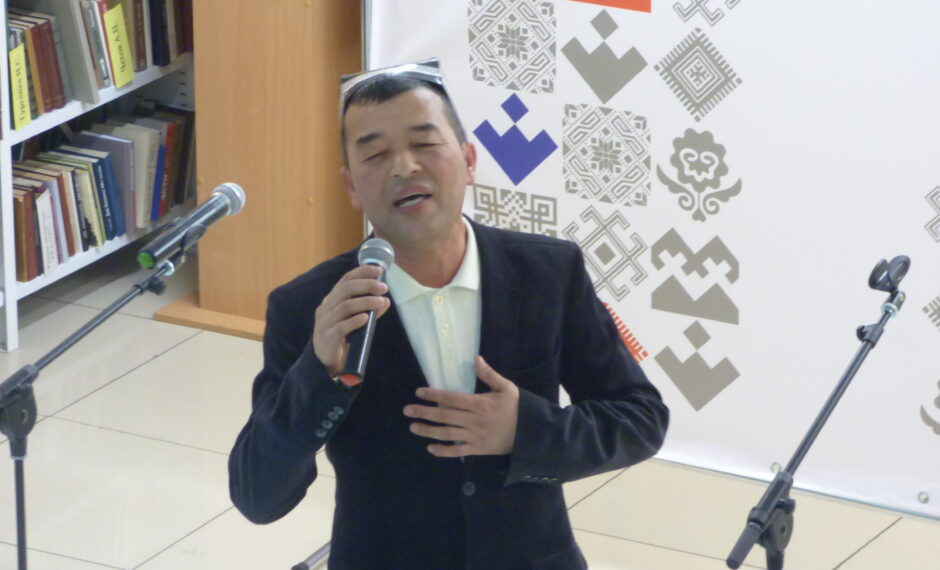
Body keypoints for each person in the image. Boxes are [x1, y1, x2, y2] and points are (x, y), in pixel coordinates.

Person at [228, 59, 669, 569]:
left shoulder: (548, 272)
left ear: (469, 160)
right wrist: (316, 372)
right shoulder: (310, 308)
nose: (404, 167)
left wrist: (526, 430)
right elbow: (258, 496)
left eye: (424, 143)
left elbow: (639, 419)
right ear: (350, 187)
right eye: (376, 153)